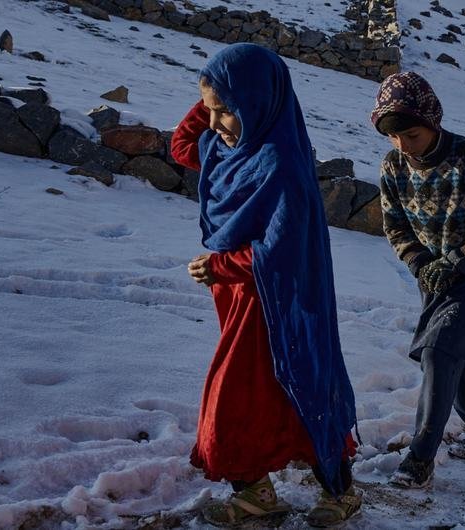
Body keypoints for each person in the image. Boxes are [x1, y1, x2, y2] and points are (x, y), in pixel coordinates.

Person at [169, 43, 359, 527]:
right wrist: (215, 92)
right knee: (262, 394)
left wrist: (219, 267)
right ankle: (255, 492)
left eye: (225, 111)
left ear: (257, 102)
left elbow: (281, 251)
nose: (214, 124)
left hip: (279, 301)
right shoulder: (230, 147)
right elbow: (181, 146)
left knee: (292, 386)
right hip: (237, 299)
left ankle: (341, 490)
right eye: (210, 112)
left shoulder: (280, 164)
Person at [370, 71, 465, 489]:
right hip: (430, 275)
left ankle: (420, 457)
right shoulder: (393, 166)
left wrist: (455, 260)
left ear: (432, 122)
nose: (404, 146)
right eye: (394, 138)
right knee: (459, 354)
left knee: (439, 352)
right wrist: (421, 263)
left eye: (412, 136)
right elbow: (395, 225)